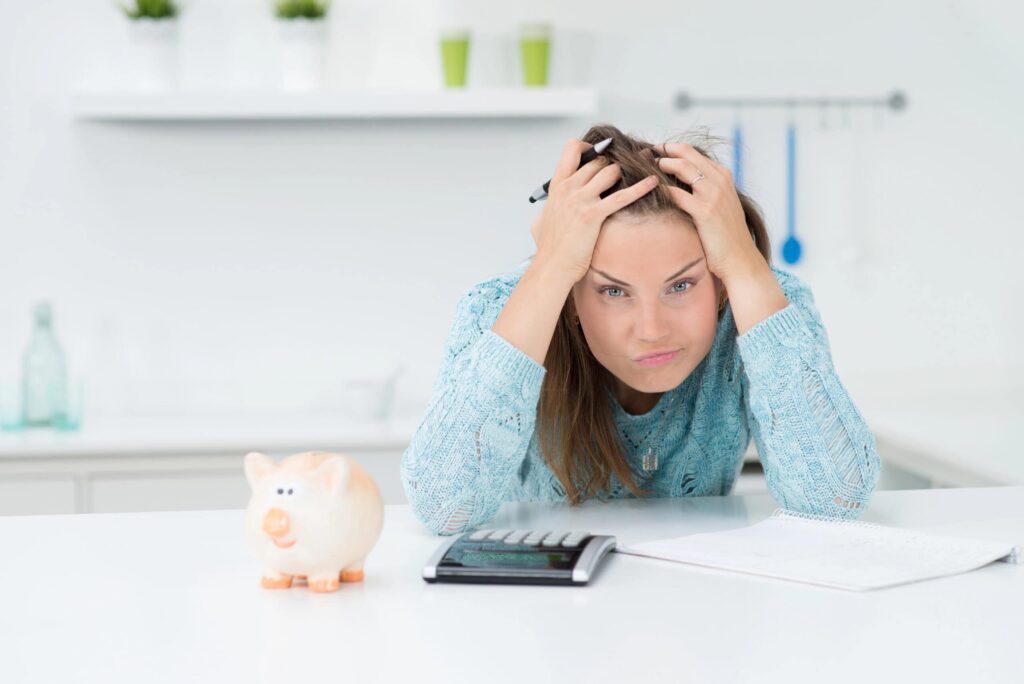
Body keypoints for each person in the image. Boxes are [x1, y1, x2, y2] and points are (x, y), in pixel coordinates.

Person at [401, 124, 880, 536]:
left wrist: (745, 266)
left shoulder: (760, 299)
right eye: (613, 291)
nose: (651, 330)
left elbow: (834, 500)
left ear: (718, 278)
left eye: (682, 285)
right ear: (571, 291)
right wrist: (547, 272)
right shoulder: (502, 306)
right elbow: (444, 506)